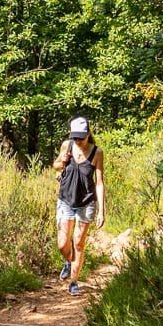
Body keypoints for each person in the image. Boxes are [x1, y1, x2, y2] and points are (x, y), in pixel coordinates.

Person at [52, 115, 105, 295]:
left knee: (79, 243)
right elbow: (56, 165)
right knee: (62, 243)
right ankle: (69, 261)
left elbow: (99, 182)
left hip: (86, 201)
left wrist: (101, 212)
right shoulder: (67, 146)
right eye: (75, 137)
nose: (78, 141)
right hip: (66, 198)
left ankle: (73, 282)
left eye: (80, 138)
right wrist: (63, 162)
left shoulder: (97, 153)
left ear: (88, 134)